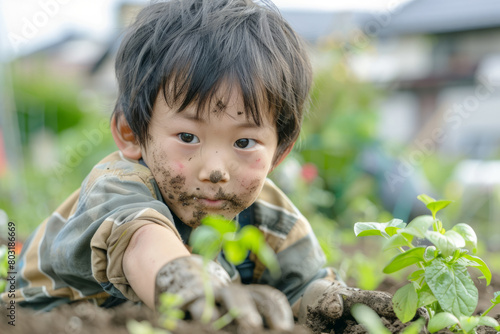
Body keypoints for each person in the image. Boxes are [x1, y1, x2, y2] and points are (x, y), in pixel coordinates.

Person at [2, 0, 393, 330]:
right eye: (188, 137)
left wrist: (335, 305)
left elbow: (304, 281)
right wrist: (187, 280)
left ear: (280, 151)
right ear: (131, 133)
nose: (216, 170)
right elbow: (142, 242)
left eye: (244, 142)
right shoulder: (118, 185)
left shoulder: (272, 218)